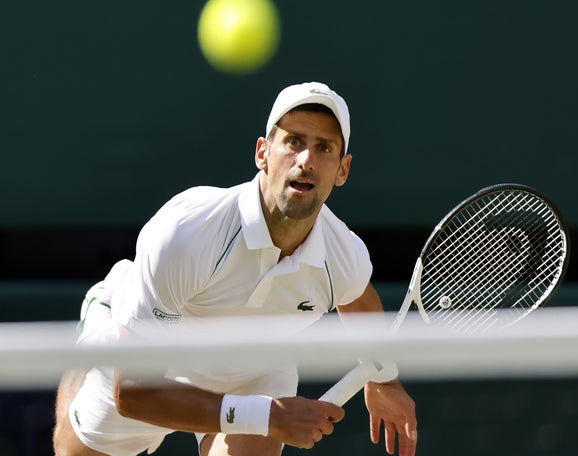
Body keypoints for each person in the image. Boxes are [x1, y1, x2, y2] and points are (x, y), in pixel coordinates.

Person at [52, 81, 418, 456]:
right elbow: (133, 394)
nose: (306, 159)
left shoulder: (344, 255)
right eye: (293, 141)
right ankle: (103, 316)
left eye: (323, 147)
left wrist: (384, 379)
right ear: (263, 153)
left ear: (342, 170)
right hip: (155, 362)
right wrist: (269, 417)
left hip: (254, 373)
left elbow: (357, 298)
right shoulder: (187, 233)